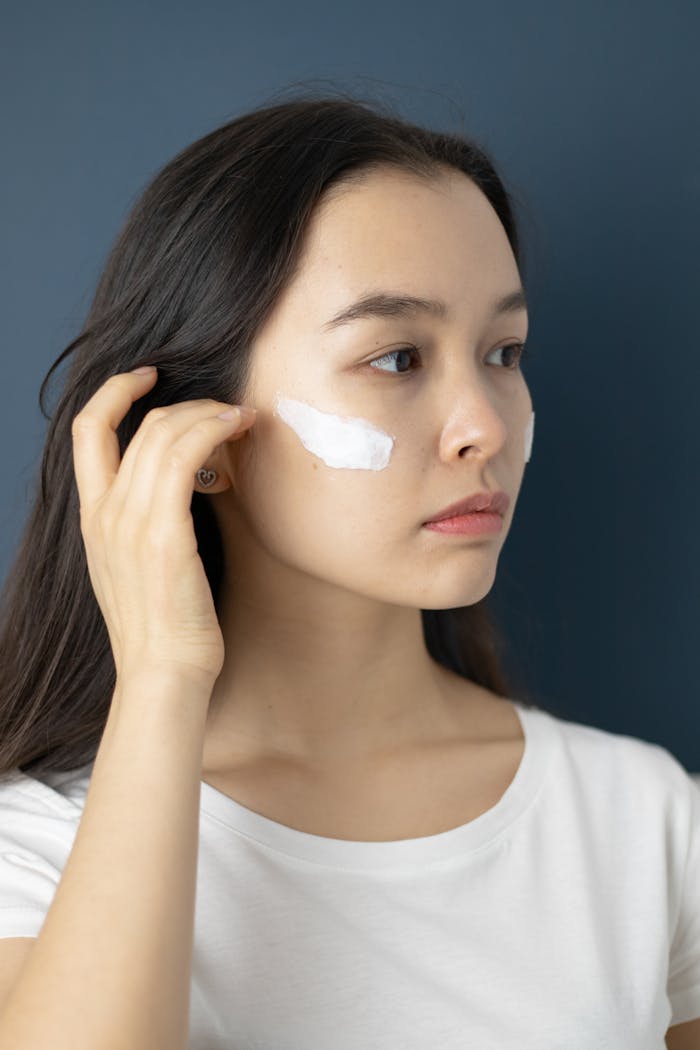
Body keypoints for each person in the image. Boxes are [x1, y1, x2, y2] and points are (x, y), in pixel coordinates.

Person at [0, 91, 697, 1050]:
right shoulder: (33, 850)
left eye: (505, 351)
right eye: (398, 356)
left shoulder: (644, 821)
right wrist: (162, 674)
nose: (486, 427)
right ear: (200, 437)